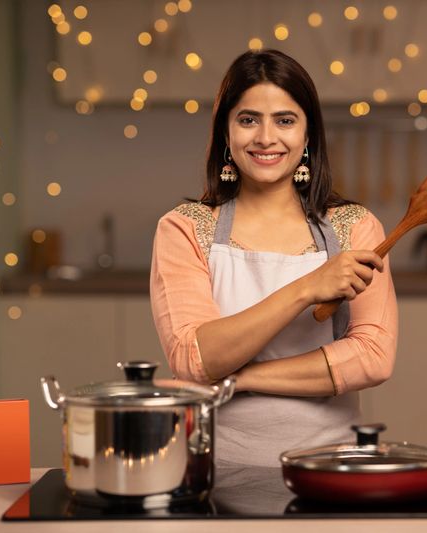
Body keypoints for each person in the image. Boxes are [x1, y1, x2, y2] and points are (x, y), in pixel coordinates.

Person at [150, 49, 398, 467]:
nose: (266, 137)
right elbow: (195, 358)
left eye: (285, 120)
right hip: (211, 467)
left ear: (308, 136)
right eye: (248, 120)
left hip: (328, 466)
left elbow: (372, 358)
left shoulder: (354, 228)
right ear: (226, 133)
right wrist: (306, 289)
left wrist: (238, 380)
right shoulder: (184, 228)